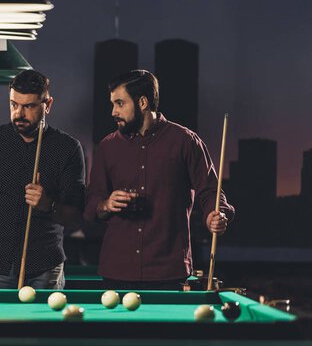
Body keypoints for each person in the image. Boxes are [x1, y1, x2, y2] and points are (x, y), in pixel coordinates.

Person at [84, 70, 235, 290]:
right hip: (117, 269)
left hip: (168, 271)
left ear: (143, 102)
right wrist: (105, 204)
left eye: (119, 103)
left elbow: (210, 191)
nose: (113, 111)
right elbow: (92, 199)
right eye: (112, 104)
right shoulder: (108, 146)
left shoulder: (186, 141)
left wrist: (216, 213)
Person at [0, 70, 85, 289]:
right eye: (14, 105)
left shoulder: (67, 148)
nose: (19, 113)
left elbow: (75, 217)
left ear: (47, 105)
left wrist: (47, 205)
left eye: (29, 106)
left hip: (45, 267)